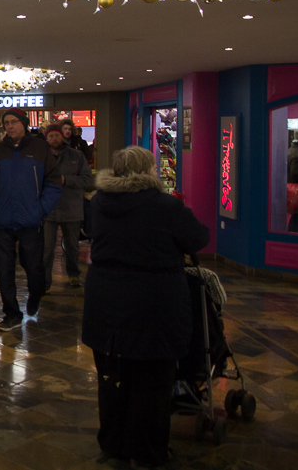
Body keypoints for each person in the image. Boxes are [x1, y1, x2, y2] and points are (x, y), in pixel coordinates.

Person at [82, 146, 210, 467]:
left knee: (112, 379)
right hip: (153, 304)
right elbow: (198, 238)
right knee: (152, 383)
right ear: (145, 171)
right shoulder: (165, 206)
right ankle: (148, 450)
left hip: (104, 302)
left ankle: (114, 444)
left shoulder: (99, 202)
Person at [0, 108, 62, 332]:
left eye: (14, 122)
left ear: (23, 124)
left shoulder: (40, 148)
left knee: (34, 268)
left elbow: (54, 182)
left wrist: (41, 209)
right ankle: (11, 313)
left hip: (31, 220)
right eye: (6, 123)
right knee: (3, 269)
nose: (10, 126)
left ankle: (36, 294)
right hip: (3, 220)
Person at [42, 123, 94, 292]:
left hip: (71, 207)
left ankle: (74, 275)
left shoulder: (76, 156)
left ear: (63, 136)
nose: (54, 139)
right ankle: (45, 282)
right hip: (48, 209)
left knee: (72, 246)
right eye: (51, 136)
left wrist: (66, 180)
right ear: (46, 138)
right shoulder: (41, 157)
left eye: (57, 135)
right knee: (47, 248)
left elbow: (88, 180)